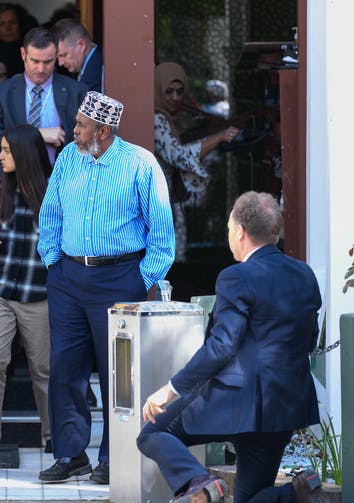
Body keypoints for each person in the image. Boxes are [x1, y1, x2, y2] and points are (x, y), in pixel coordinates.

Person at [137, 191, 327, 503]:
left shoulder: (235, 277)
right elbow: (309, 338)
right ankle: (298, 492)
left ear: (239, 231)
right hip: (285, 405)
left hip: (235, 401)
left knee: (153, 432)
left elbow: (222, 346)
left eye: (228, 229)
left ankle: (199, 484)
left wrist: (171, 388)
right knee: (249, 498)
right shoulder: (304, 274)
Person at [37, 91, 175, 484]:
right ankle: (70, 454)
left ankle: (114, 458)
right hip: (68, 278)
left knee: (119, 374)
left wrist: (140, 280)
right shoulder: (68, 159)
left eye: (80, 125)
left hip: (119, 279)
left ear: (103, 130)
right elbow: (50, 214)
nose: (74, 131)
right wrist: (54, 264)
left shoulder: (140, 164)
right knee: (65, 369)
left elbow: (162, 236)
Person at [0, 124, 52, 454]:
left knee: (43, 368)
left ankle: (52, 436)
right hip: (0, 290)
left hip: (38, 293)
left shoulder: (54, 193)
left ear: (24, 154)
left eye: (7, 150)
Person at [153, 62, 240, 263]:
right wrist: (218, 137)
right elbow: (178, 156)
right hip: (159, 205)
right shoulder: (157, 119)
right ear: (158, 90)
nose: (175, 98)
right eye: (169, 92)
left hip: (170, 202)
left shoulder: (169, 118)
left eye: (179, 92)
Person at [0, 26, 88, 172]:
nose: (41, 69)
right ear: (23, 54)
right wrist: (38, 134)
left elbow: (88, 142)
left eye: (48, 62)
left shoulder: (75, 91)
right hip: (13, 181)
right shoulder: (1, 93)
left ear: (56, 56)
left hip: (59, 180)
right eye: (35, 61)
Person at [52, 18, 103, 93]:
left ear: (81, 45)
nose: (60, 63)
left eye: (63, 55)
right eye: (57, 57)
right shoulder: (96, 59)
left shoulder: (99, 72)